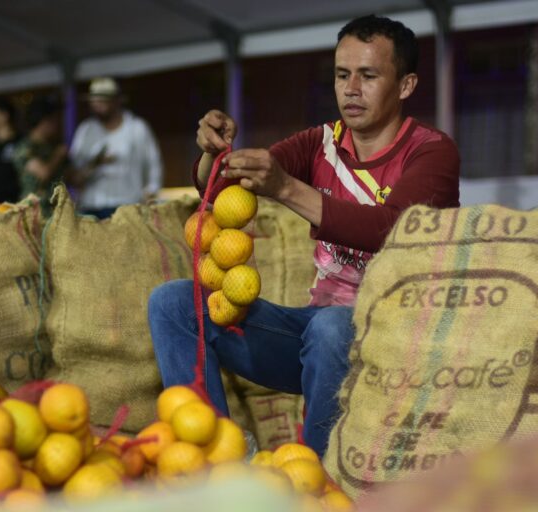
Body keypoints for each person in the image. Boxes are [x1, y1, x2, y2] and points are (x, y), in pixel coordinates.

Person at [148, 14, 460, 457]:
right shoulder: (322, 143)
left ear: (406, 85)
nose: (351, 88)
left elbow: (389, 228)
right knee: (174, 304)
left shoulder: (431, 152)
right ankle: (213, 456)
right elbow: (226, 189)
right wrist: (212, 156)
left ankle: (314, 478)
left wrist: (287, 188)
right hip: (318, 341)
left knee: (332, 326)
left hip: (395, 345)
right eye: (341, 75)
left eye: (368, 76)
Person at [68, 77, 163, 219]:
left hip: (128, 206)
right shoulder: (86, 130)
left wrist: (150, 194)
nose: (97, 104)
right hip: (90, 206)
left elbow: (154, 164)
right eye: (94, 100)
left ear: (117, 101)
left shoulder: (137, 128)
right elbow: (74, 171)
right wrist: (95, 164)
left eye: (102, 100)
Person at [13, 96, 70, 217]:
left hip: (57, 212)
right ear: (44, 121)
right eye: (54, 120)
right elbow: (43, 173)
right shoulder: (25, 147)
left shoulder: (53, 147)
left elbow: (73, 177)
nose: (57, 125)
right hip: (34, 213)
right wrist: (58, 156)